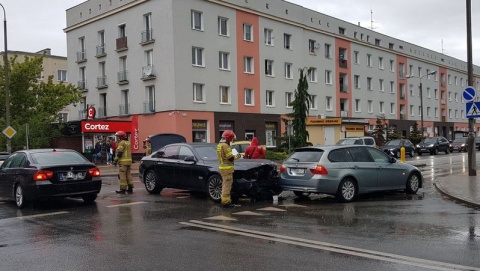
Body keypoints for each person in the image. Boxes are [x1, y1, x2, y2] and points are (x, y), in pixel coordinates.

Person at [216, 130, 241, 207]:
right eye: (232, 138)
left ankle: (225, 200)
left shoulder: (219, 145)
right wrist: (237, 156)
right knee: (227, 186)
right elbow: (230, 158)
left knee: (224, 184)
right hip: (227, 169)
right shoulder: (226, 146)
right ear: (229, 138)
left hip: (222, 168)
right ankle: (226, 202)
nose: (232, 140)